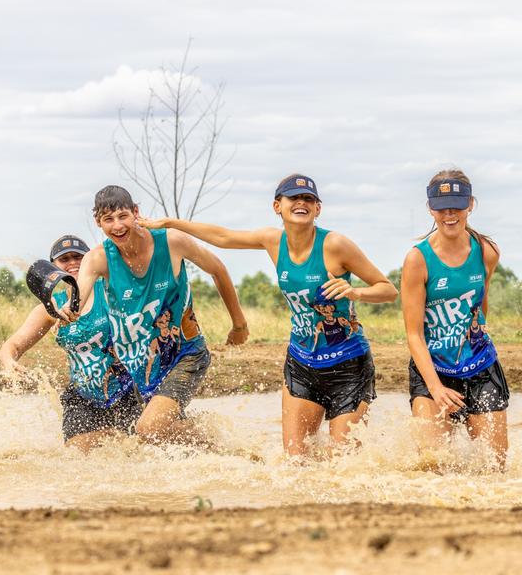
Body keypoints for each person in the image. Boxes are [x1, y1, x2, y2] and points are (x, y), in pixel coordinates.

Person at [139, 174, 397, 457]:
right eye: (294, 198)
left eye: (308, 199)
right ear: (278, 206)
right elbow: (224, 237)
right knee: (295, 461)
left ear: (318, 209)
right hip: (302, 362)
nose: (301, 203)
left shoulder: (335, 245)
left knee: (344, 460)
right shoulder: (273, 240)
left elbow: (387, 290)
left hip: (349, 364)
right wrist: (170, 223)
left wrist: (355, 292)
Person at [57, 186, 247, 445]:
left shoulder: (171, 242)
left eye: (123, 216)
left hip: (185, 355)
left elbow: (218, 270)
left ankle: (217, 448)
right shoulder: (98, 258)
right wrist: (69, 310)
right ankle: (204, 449)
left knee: (148, 429)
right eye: (108, 219)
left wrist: (239, 324)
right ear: (98, 222)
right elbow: (78, 297)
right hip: (140, 366)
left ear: (136, 212)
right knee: (143, 441)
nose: (117, 226)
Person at [401, 169, 508, 469]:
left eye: (457, 206)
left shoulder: (487, 251)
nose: (450, 214)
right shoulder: (417, 260)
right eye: (442, 207)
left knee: (495, 468)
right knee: (434, 467)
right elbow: (413, 335)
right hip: (432, 370)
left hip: (479, 368)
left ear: (470, 204)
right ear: (430, 208)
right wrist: (436, 388)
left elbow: (481, 308)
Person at [0, 235, 140, 451]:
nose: (72, 263)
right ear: (54, 267)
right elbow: (13, 345)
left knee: (137, 447)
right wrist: (9, 362)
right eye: (64, 259)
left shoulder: (111, 291)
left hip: (128, 388)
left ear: (90, 260)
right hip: (83, 397)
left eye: (78, 257)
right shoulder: (52, 308)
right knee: (76, 453)